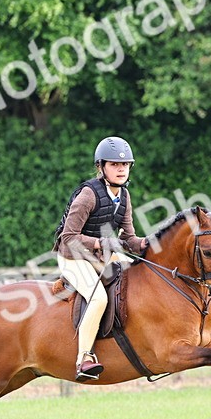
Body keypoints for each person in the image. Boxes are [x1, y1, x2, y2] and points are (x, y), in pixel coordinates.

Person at [53, 136, 147, 381]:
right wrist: (100, 243)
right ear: (101, 167)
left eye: (124, 165)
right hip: (73, 257)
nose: (120, 169)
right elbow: (68, 236)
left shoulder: (124, 197)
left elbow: (128, 237)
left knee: (139, 280)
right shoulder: (88, 195)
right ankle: (83, 358)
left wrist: (149, 243)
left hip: (102, 256)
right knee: (98, 298)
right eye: (114, 164)